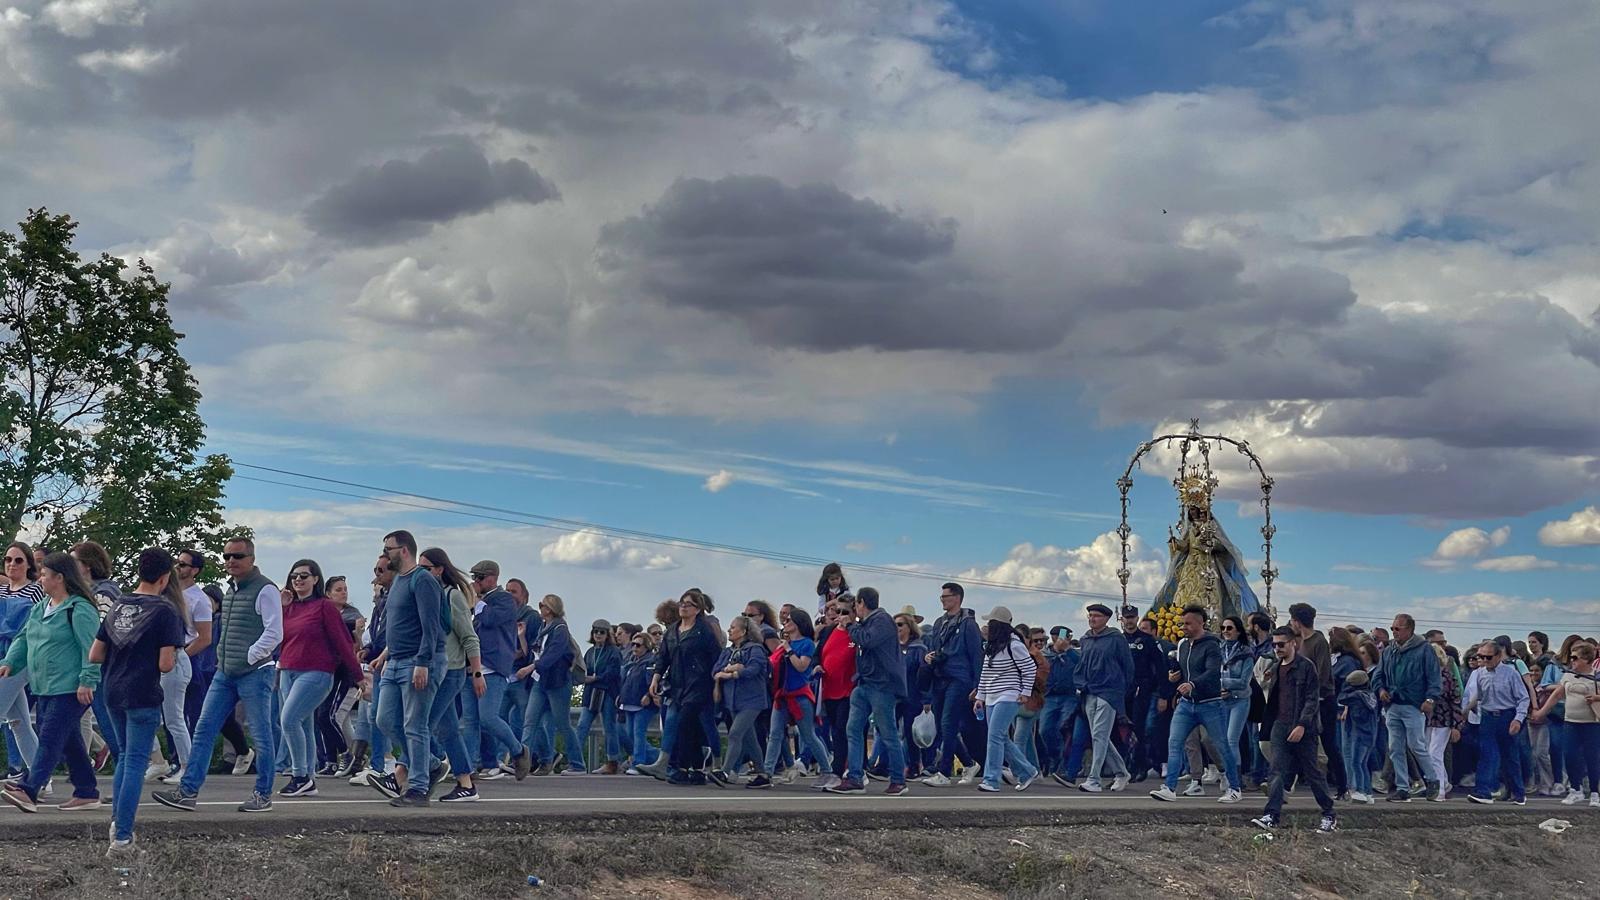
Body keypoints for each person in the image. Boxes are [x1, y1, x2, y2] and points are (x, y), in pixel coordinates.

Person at [152, 536, 282, 814]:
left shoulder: (265, 589)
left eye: (237, 556)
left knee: (261, 735)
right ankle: (187, 791)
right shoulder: (232, 589)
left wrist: (249, 655)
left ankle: (263, 794)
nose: (231, 561)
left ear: (251, 559)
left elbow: (274, 632)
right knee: (203, 729)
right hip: (225, 673)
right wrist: (228, 659)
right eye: (226, 557)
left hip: (255, 673)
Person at [92, 549, 186, 856]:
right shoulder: (165, 611)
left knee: (124, 758)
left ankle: (116, 823)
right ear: (165, 576)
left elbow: (95, 654)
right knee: (135, 762)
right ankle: (122, 837)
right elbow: (166, 664)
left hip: (111, 690)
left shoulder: (118, 605)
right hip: (142, 692)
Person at [0, 551, 103, 813]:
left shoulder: (79, 608)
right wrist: (10, 662)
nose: (40, 579)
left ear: (59, 577)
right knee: (69, 740)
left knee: (49, 737)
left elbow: (91, 648)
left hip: (70, 687)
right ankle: (87, 791)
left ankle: (30, 789)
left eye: (44, 575)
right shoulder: (41, 606)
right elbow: (24, 637)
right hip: (45, 685)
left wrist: (87, 681)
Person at [367, 531, 446, 807]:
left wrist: (423, 662)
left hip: (417, 662)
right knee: (385, 720)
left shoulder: (422, 580)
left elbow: (430, 626)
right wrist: (386, 655)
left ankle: (418, 788)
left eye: (388, 549)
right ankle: (432, 763)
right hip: (395, 661)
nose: (384, 554)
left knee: (415, 725)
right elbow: (401, 625)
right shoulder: (397, 582)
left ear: (403, 551)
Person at [275, 559, 363, 799]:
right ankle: (309, 778)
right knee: (303, 723)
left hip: (317, 672)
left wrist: (358, 676)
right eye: (294, 576)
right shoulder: (289, 607)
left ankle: (299, 776)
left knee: (289, 719)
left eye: (304, 575)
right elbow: (276, 637)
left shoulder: (324, 607)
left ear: (315, 579)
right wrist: (282, 607)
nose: (298, 580)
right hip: (288, 670)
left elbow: (343, 643)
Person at [1250, 627, 1337, 834]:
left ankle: (1329, 814)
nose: (1277, 648)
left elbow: (1311, 698)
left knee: (1312, 772)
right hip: (1280, 725)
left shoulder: (1306, 667)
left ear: (1293, 644)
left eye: (1281, 644)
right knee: (1276, 771)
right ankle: (1272, 815)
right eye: (1274, 645)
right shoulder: (1276, 667)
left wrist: (1302, 725)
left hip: (1303, 728)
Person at [1150, 606, 1240, 803]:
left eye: (1189, 623)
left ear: (1201, 623)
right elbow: (1184, 669)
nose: (1184, 627)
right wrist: (1176, 677)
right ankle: (1170, 787)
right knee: (1174, 743)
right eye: (1183, 623)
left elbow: (1212, 671)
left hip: (1210, 704)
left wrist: (1192, 683)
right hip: (1186, 704)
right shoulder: (1182, 645)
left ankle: (1234, 787)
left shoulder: (1212, 645)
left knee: (1222, 746)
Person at [826, 588, 908, 796]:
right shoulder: (865, 624)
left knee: (887, 732)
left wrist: (851, 625)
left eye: (855, 607)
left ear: (862, 603)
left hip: (882, 685)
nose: (853, 611)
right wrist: (848, 628)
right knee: (852, 729)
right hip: (864, 684)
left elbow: (867, 640)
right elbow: (856, 643)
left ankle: (899, 780)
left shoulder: (881, 620)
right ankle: (854, 777)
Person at [462, 561, 531, 781]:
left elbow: (491, 620)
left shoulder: (504, 601)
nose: (476, 582)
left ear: (492, 578)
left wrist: (477, 603)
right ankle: (469, 766)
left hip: (492, 668)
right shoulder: (479, 604)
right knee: (471, 720)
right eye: (475, 578)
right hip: (471, 668)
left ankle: (519, 750)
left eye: (479, 578)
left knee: (489, 718)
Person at [755, 610, 831, 788]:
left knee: (808, 735)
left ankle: (827, 770)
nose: (786, 623)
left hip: (799, 696)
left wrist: (788, 651)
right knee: (774, 734)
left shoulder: (806, 644)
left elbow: (801, 666)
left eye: (789, 620)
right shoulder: (785, 643)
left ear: (798, 622)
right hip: (782, 695)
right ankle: (767, 772)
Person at [651, 589, 719, 785]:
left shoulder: (704, 630)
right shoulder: (673, 630)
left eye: (688, 604)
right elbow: (663, 656)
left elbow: (715, 657)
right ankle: (697, 770)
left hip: (699, 684)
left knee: (684, 724)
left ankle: (681, 767)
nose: (683, 607)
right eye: (682, 603)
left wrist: (715, 683)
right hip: (677, 684)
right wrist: (656, 677)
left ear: (698, 609)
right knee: (693, 727)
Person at [1372, 613, 1443, 802]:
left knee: (1416, 745)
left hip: (1414, 704)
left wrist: (1430, 699)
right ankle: (1402, 787)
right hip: (1393, 704)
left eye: (1398, 628)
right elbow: (1378, 674)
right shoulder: (1389, 651)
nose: (1394, 632)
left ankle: (1433, 779)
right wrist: (1380, 690)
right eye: (1392, 628)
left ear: (1410, 629)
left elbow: (1434, 676)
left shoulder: (1424, 650)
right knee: (1395, 747)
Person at [920, 582, 984, 788]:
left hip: (959, 678)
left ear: (957, 598)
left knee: (949, 724)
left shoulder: (968, 625)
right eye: (941, 597)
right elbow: (935, 648)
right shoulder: (939, 623)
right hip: (940, 677)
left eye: (945, 596)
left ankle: (944, 772)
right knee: (942, 726)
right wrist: (930, 657)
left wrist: (977, 686)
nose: (942, 600)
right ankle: (968, 763)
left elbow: (976, 656)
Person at [968, 608, 1038, 793]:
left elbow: (1030, 669)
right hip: (992, 696)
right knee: (1000, 737)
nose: (987, 627)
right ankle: (1027, 771)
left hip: (1008, 695)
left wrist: (1025, 692)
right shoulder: (992, 647)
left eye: (990, 623)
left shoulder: (1014, 645)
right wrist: (980, 697)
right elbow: (985, 674)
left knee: (995, 737)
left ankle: (991, 779)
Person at [518, 593, 583, 777]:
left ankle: (577, 763)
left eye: (543, 605)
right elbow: (536, 652)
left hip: (557, 682)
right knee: (530, 722)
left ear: (552, 608)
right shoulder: (544, 628)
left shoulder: (560, 628)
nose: (540, 608)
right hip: (540, 681)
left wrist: (530, 668)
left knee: (562, 723)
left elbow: (552, 655)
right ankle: (523, 762)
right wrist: (522, 637)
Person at [1287, 603, 1347, 799]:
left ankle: (1343, 787)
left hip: (1323, 700)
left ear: (1297, 621)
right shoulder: (1302, 642)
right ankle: (1286, 786)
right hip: (1307, 700)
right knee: (1299, 743)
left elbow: (1322, 674)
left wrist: (1308, 691)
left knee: (1329, 744)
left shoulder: (1318, 641)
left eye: (1292, 620)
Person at [1075, 603, 1133, 793]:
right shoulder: (1086, 639)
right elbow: (1082, 664)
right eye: (1090, 615)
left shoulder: (1116, 638)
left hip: (1110, 691)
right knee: (1100, 736)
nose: (1092, 619)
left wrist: (1123, 690)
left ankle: (1094, 779)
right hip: (1089, 690)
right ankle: (1121, 773)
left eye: (1096, 616)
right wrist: (1080, 684)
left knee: (1099, 734)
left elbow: (1127, 666)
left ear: (1106, 619)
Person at [347, 554, 395, 786]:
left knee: (385, 717)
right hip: (379, 662)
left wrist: (384, 653)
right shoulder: (381, 602)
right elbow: (377, 634)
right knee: (376, 716)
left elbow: (395, 632)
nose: (375, 577)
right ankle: (379, 764)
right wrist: (368, 649)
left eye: (380, 571)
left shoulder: (394, 597)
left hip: (393, 663)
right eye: (375, 571)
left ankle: (386, 763)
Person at [1532, 641, 1598, 807]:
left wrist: (1597, 698)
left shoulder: (1597, 676)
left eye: (1575, 657)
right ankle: (1575, 789)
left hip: (1591, 723)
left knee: (1592, 757)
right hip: (1570, 722)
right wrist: (1541, 712)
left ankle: (1595, 792)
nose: (1572, 661)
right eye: (1571, 657)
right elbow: (1556, 695)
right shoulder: (1567, 676)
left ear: (1587, 659)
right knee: (1570, 755)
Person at [1464, 640, 1529, 805]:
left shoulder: (1511, 673)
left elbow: (1523, 698)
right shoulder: (1479, 673)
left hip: (1507, 715)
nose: (1484, 661)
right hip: (1487, 716)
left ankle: (1518, 792)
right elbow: (1477, 695)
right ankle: (1483, 791)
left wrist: (1518, 719)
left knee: (1510, 756)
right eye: (1481, 657)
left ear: (1499, 656)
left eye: (1488, 657)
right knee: (1487, 754)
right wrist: (1464, 711)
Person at [0, 542, 44, 783]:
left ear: (28, 564)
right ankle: (41, 776)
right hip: (1, 656)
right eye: (8, 559)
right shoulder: (3, 591)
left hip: (20, 657)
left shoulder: (36, 591)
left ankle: (39, 778)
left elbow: (31, 628)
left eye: (18, 560)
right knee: (18, 723)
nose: (12, 564)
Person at [711, 616, 769, 785]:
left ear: (743, 632)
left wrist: (734, 673)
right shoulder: (728, 652)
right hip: (733, 701)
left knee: (735, 733)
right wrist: (730, 669)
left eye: (733, 627)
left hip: (752, 700)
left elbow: (755, 669)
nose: (729, 630)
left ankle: (725, 771)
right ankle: (763, 774)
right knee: (749, 739)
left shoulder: (755, 649)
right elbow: (715, 670)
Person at [173, 550, 215, 784]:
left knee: (188, 713)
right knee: (170, 712)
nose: (178, 568)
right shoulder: (169, 593)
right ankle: (174, 761)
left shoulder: (198, 599)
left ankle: (190, 764)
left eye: (183, 564)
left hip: (189, 656)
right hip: (169, 655)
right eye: (177, 563)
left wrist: (183, 657)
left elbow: (204, 637)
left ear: (195, 570)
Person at [814, 597, 857, 791]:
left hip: (848, 690)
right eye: (838, 612)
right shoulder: (829, 631)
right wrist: (817, 665)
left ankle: (840, 771)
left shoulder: (856, 633)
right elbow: (819, 653)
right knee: (834, 730)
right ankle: (839, 769)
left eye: (845, 612)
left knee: (842, 730)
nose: (840, 616)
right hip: (829, 689)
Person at [574, 619, 624, 775]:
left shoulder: (614, 651)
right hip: (591, 693)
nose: (598, 635)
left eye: (602, 632)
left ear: (608, 634)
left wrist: (595, 678)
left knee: (609, 727)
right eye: (595, 631)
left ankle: (613, 761)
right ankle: (575, 761)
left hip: (607, 692)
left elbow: (613, 672)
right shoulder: (590, 652)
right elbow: (583, 669)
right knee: (582, 725)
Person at [1121, 604, 1164, 782]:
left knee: (1139, 728)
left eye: (1132, 617)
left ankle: (1139, 765)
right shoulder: (1119, 639)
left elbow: (1160, 667)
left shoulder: (1147, 640)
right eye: (1126, 617)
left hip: (1142, 689)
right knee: (1123, 729)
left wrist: (1162, 692)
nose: (1129, 621)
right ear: (1122, 619)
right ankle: (1126, 764)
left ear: (1137, 618)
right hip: (1123, 690)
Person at [894, 607, 933, 780]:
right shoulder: (891, 648)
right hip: (895, 696)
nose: (897, 628)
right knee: (888, 731)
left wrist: (926, 698)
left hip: (913, 696)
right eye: (895, 625)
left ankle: (915, 765)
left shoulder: (919, 649)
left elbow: (924, 675)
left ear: (909, 627)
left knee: (912, 733)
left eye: (900, 624)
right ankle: (890, 765)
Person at [1423, 641, 1464, 802]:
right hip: (1433, 719)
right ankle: (1444, 783)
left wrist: (1456, 725)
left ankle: (1439, 789)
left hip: (1444, 719)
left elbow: (1454, 701)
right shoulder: (1433, 676)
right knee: (1430, 752)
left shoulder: (1445, 677)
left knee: (1435, 753)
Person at [1042, 627, 1078, 784]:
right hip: (1049, 697)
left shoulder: (1073, 653)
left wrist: (1067, 650)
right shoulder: (1045, 654)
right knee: (1045, 729)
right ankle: (1054, 756)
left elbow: (1081, 663)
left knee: (1064, 728)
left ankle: (1063, 764)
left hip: (1068, 696)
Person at [619, 631, 659, 774]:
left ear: (646, 646)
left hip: (643, 704)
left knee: (638, 733)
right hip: (629, 702)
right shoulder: (631, 662)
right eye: (633, 644)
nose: (635, 647)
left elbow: (653, 681)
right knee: (630, 734)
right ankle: (659, 757)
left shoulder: (650, 662)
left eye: (638, 645)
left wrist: (648, 694)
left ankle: (638, 763)